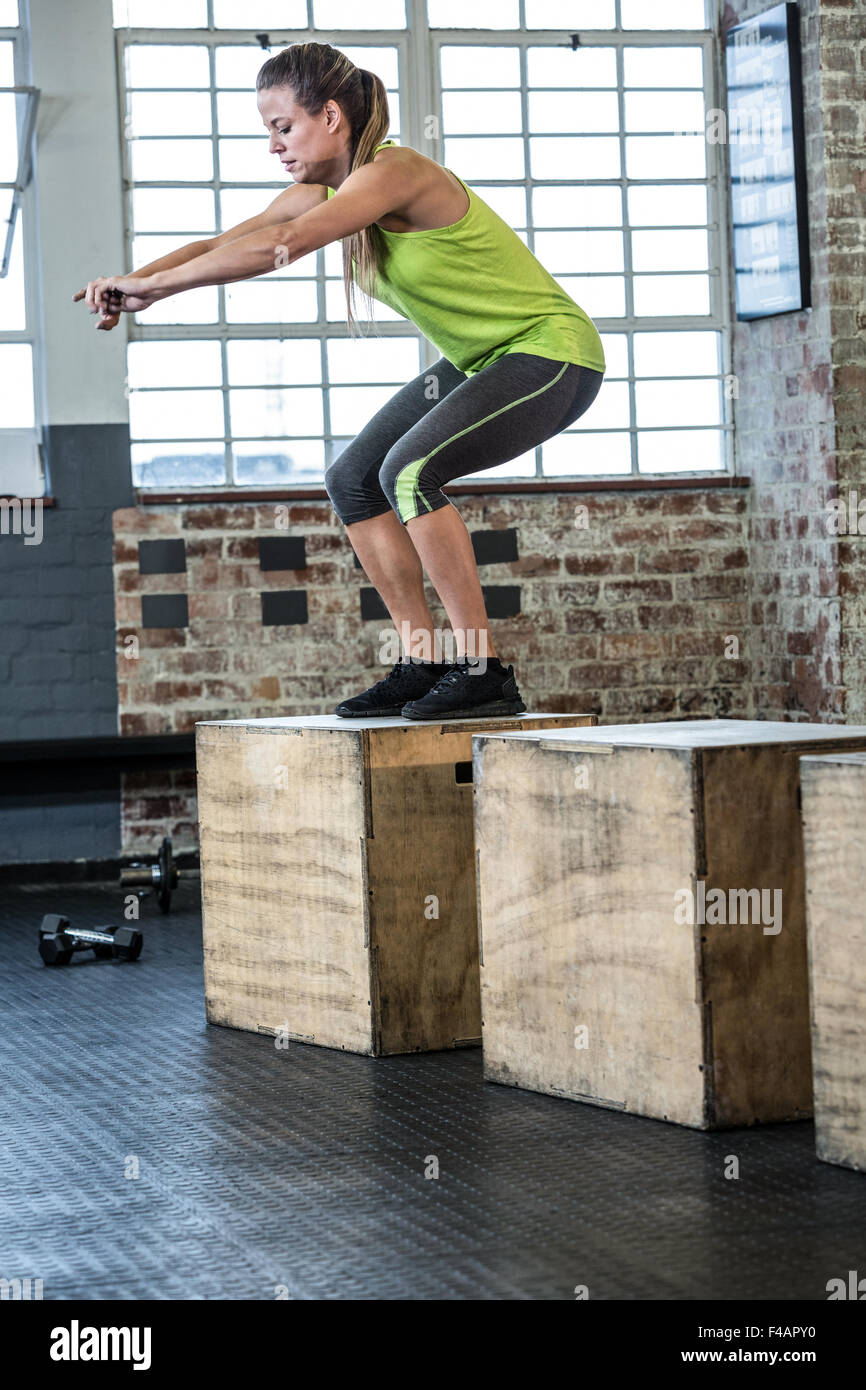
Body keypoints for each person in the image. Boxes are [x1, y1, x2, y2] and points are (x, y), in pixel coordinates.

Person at [75, 41, 605, 722]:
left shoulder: (396, 172)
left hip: (551, 355)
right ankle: (424, 662)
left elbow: (278, 249)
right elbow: (221, 243)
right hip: (486, 360)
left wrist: (154, 288)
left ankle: (482, 669)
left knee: (410, 472)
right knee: (353, 478)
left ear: (330, 116)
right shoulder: (322, 191)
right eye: (267, 131)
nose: (273, 146)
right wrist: (134, 284)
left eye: (281, 126)